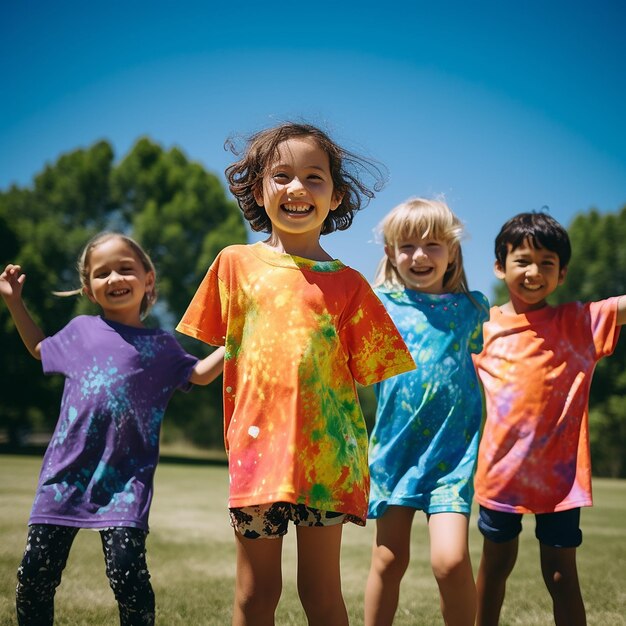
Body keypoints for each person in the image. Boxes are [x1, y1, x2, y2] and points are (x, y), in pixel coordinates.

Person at [176, 122, 416, 626]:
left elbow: (376, 372)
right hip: (256, 454)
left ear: (336, 196)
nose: (296, 189)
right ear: (258, 189)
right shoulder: (233, 264)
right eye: (281, 175)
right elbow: (235, 342)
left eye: (314, 177)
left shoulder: (350, 286)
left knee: (322, 595)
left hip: (329, 462)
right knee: (254, 594)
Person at [1, 232, 225, 626]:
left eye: (126, 268)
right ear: (88, 289)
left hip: (125, 481)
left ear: (148, 279)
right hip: (64, 477)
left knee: (128, 576)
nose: (115, 278)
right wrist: (14, 302)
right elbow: (39, 350)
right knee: (35, 575)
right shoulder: (79, 332)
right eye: (102, 273)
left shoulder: (162, 346)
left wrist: (236, 340)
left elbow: (202, 375)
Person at [472, 211, 626, 626]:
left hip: (560, 481)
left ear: (561, 275)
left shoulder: (580, 322)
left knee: (561, 576)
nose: (534, 271)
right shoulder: (479, 327)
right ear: (500, 266)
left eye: (547, 263)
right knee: (494, 567)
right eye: (522, 260)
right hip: (500, 477)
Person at [364, 198, 489, 626]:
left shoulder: (474, 311)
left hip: (452, 459)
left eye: (433, 244)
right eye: (407, 245)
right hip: (394, 455)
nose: (420, 255)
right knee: (388, 561)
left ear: (452, 251)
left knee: (450, 562)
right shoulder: (377, 306)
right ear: (389, 253)